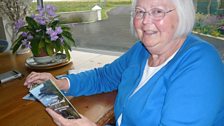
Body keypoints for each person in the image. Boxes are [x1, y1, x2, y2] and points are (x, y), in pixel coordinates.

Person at [24, 0, 224, 125]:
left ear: (182, 15)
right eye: (140, 12)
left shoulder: (201, 63)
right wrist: (61, 83)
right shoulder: (142, 49)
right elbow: (105, 76)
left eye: (157, 11)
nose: (145, 21)